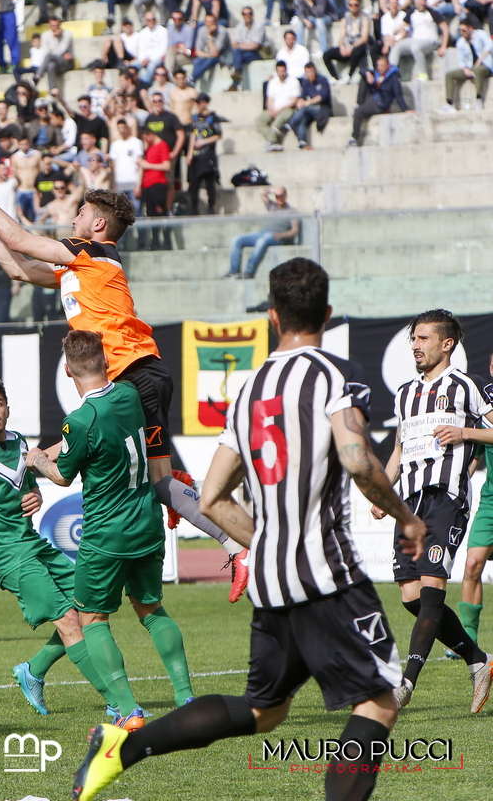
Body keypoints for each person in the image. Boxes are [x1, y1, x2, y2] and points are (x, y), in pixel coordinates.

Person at [71, 257, 428, 801]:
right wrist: (406, 516)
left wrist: (265, 546)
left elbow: (211, 497)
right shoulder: (337, 373)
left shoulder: (251, 387)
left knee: (265, 710)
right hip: (327, 573)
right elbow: (357, 460)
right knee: (379, 700)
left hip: (272, 577)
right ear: (328, 314)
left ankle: (124, 747)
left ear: (271, 315)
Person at [0, 180, 250, 589]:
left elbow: (20, 238)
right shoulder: (80, 266)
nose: (74, 218)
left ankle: (238, 545)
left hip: (133, 372)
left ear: (99, 224)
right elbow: (17, 266)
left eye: (82, 213)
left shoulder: (92, 253)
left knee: (128, 471)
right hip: (135, 374)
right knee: (157, 481)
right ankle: (235, 545)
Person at [27, 329, 193, 730]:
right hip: (147, 522)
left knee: (93, 619)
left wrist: (37, 460)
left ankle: (129, 710)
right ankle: (186, 697)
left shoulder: (79, 421)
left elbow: (63, 476)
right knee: (151, 609)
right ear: (105, 361)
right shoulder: (131, 395)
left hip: (105, 533)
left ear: (68, 371)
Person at [0, 377, 112, 715]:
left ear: (7, 407)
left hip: (34, 545)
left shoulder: (20, 443)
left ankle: (33, 670)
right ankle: (120, 704)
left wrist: (35, 496)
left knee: (89, 606)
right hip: (8, 556)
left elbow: (30, 487)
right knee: (68, 620)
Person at [374, 310, 493, 711]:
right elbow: (398, 450)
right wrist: (382, 491)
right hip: (408, 504)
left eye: (423, 339)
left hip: (447, 498)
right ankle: (479, 660)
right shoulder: (405, 393)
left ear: (447, 344)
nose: (415, 345)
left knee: (430, 590)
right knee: (410, 596)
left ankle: (405, 685)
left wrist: (466, 432)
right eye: (413, 339)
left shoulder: (467, 386)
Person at [457, 352, 493, 647]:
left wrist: (464, 432)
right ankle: (467, 641)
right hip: (490, 503)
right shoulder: (483, 412)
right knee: (472, 564)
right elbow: (473, 459)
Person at [224, 186, 300, 278]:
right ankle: (234, 271)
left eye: (281, 195)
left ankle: (249, 271)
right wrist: (273, 191)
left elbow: (295, 230)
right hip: (263, 233)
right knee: (236, 240)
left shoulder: (292, 211)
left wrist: (282, 235)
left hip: (277, 236)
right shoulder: (272, 207)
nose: (279, 198)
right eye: (277, 196)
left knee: (262, 241)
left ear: (286, 196)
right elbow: (261, 192)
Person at [348, 54, 412, 147]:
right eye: (378, 65)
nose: (380, 68)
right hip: (373, 98)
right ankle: (359, 104)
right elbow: (361, 70)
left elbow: (399, 95)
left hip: (380, 103)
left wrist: (406, 110)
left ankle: (354, 138)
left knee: (358, 112)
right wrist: (368, 74)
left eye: (382, 65)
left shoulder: (394, 78)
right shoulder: (377, 73)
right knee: (364, 79)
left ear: (388, 66)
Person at [389, 0, 449, 81]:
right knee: (397, 46)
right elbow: (401, 27)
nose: (422, 3)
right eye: (420, 0)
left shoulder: (432, 13)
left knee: (415, 47)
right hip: (415, 40)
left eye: (424, 0)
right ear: (416, 1)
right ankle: (391, 74)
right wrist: (393, 37)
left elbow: (445, 28)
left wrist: (444, 46)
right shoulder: (412, 13)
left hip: (431, 40)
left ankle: (423, 73)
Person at [442, 16, 493, 110]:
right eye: (460, 30)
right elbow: (460, 60)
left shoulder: (480, 34)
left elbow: (490, 45)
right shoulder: (461, 42)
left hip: (485, 65)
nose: (461, 32)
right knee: (449, 75)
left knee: (478, 70)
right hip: (471, 67)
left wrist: (480, 59)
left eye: (464, 30)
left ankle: (478, 99)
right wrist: (465, 69)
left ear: (470, 29)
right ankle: (449, 103)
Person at [185, 91, 221, 215]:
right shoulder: (194, 117)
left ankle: (211, 206)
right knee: (193, 183)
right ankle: (194, 207)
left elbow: (218, 135)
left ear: (205, 103)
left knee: (209, 183)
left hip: (207, 155)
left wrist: (204, 142)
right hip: (195, 156)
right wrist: (189, 153)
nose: (196, 105)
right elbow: (192, 136)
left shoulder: (213, 117)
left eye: (198, 103)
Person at [323, 0, 370, 84]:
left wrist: (352, 47)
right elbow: (342, 35)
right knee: (326, 55)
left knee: (357, 52)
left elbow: (364, 38)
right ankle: (335, 77)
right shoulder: (346, 18)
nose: (353, 7)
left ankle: (349, 76)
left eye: (356, 5)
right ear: (348, 6)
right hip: (347, 45)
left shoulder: (364, 18)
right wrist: (341, 46)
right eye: (351, 5)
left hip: (358, 45)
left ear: (359, 5)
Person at [255, 61, 300, 152]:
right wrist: (271, 109)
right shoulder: (272, 82)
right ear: (276, 71)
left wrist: (279, 110)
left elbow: (294, 100)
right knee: (259, 120)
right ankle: (274, 141)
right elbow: (269, 99)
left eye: (283, 71)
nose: (282, 73)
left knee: (277, 123)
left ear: (286, 70)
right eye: (279, 71)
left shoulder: (293, 81)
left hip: (288, 108)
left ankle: (271, 142)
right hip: (274, 108)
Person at [289, 62, 332, 149]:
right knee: (302, 117)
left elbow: (321, 97)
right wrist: (300, 102)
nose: (310, 74)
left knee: (305, 109)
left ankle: (289, 125)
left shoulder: (323, 80)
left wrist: (307, 103)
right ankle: (302, 142)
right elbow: (302, 97)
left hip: (323, 109)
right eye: (308, 72)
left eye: (312, 71)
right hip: (311, 110)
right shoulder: (306, 83)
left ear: (315, 71)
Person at [228, 5, 266, 90]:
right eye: (245, 14)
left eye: (249, 13)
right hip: (245, 53)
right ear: (242, 15)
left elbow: (256, 46)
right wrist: (247, 44)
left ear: (252, 15)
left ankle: (236, 78)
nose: (247, 15)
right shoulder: (239, 27)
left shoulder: (259, 26)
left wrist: (242, 44)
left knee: (237, 54)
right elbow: (236, 44)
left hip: (258, 53)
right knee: (237, 53)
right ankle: (235, 82)